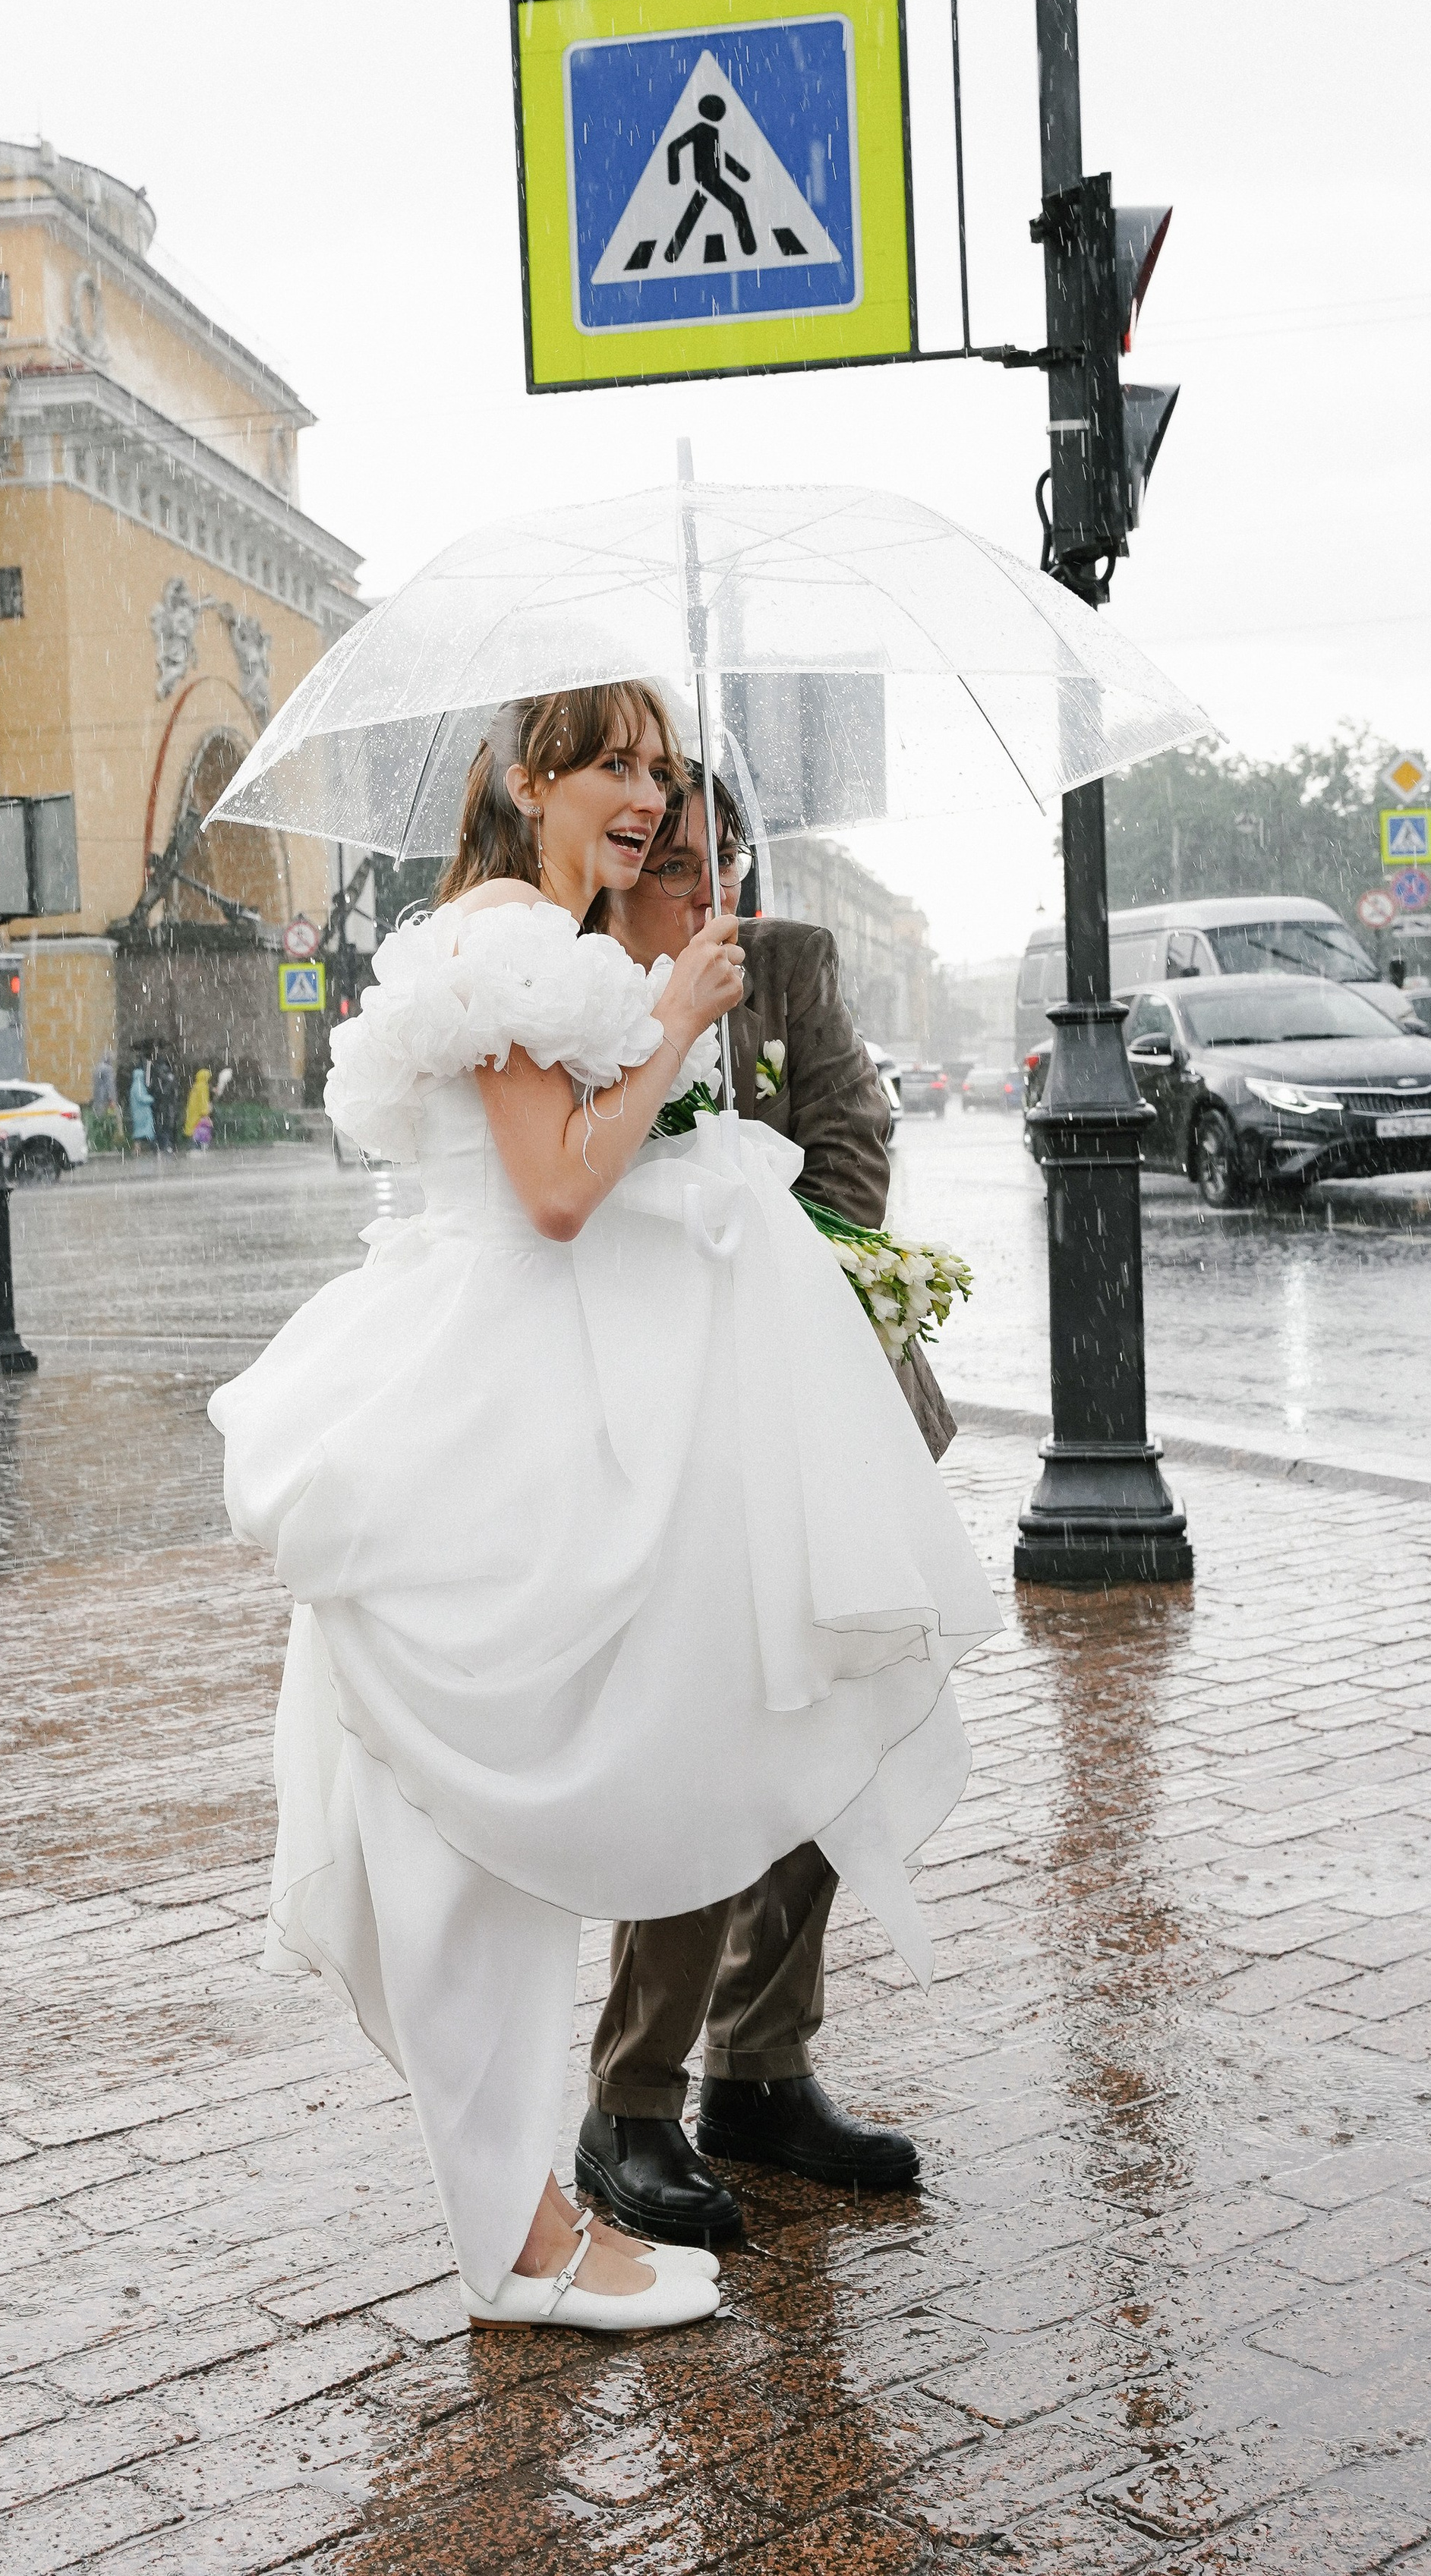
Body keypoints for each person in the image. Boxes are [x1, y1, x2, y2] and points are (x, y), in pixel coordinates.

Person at [210, 685, 997, 2338]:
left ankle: (528, 2219)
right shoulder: (509, 929)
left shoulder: (543, 931)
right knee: (461, 1837)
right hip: (483, 1416)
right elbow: (558, 1189)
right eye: (612, 766)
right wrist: (684, 1021)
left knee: (487, 1835)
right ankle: (519, 2229)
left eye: (656, 767)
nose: (644, 797)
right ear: (523, 778)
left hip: (522, 1400)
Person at [579, 777, 957, 2250]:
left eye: (709, 853)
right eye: (663, 855)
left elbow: (852, 1145)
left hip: (830, 1408)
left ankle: (758, 2067)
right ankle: (629, 2107)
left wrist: (786, 1283)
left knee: (832, 1736)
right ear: (621, 864)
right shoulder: (591, 984)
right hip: (670, 1438)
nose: (692, 877)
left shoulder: (788, 962)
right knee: (699, 1749)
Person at [127, 1061, 156, 1153]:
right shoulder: (138, 1086)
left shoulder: (134, 1086)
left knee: (139, 1132)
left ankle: (138, 1148)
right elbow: (141, 1097)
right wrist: (151, 1099)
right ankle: (147, 1148)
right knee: (144, 1130)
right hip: (142, 1112)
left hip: (138, 1112)